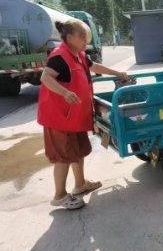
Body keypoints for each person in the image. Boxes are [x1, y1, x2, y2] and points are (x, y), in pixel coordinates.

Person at [37, 19, 129, 210]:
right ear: (69, 37)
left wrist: (118, 73)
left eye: (85, 36)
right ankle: (59, 196)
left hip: (74, 117)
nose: (85, 39)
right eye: (81, 36)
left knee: (77, 151)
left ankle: (80, 184)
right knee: (63, 156)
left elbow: (94, 67)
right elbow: (45, 77)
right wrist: (64, 92)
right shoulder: (59, 56)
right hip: (59, 118)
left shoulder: (78, 54)